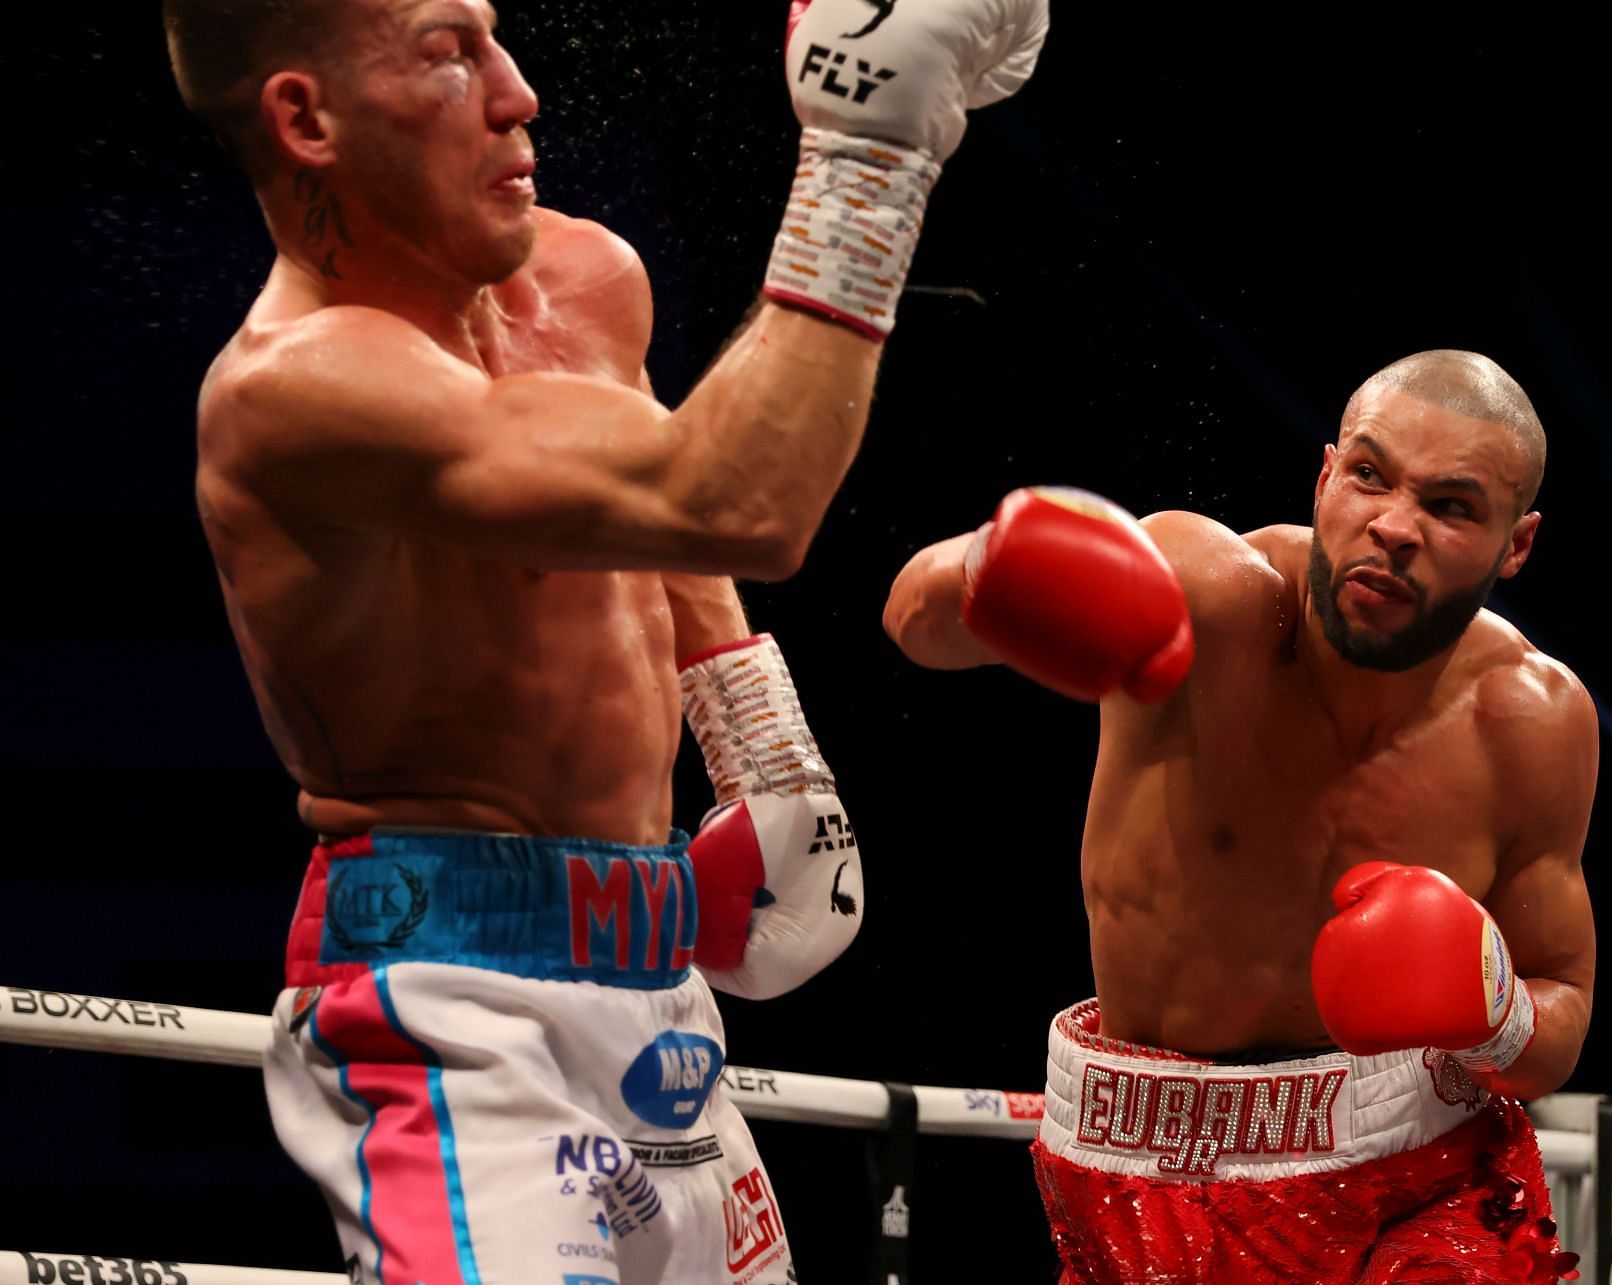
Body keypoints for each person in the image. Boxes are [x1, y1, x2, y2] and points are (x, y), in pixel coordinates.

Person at [162, 0, 1046, 1280]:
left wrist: (770, 758)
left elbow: (665, 538)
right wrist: (872, 156)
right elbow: (732, 502)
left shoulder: (582, 276)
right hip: (453, 1000)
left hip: (660, 987)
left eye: (495, 37)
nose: (517, 92)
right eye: (447, 53)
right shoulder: (294, 391)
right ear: (306, 118)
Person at [884, 350, 1595, 1283]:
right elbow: (911, 617)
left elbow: (1560, 1015)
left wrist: (1494, 1008)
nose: (1391, 526)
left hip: (1418, 1179)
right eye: (1369, 476)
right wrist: (992, 563)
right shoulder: (1207, 599)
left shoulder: (1530, 719)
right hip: (1144, 1175)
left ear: (1518, 544)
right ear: (1324, 475)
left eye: (1451, 506)